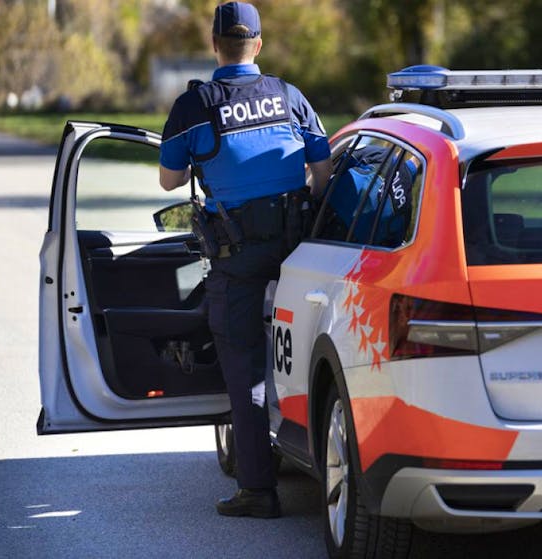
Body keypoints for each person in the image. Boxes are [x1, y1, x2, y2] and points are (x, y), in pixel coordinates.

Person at [158, 1, 332, 518]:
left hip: (237, 260)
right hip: (299, 253)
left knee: (246, 371)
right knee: (304, 354)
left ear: (215, 46)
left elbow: (169, 181)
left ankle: (259, 490)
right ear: (258, 44)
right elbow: (322, 170)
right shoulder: (289, 97)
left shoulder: (196, 107)